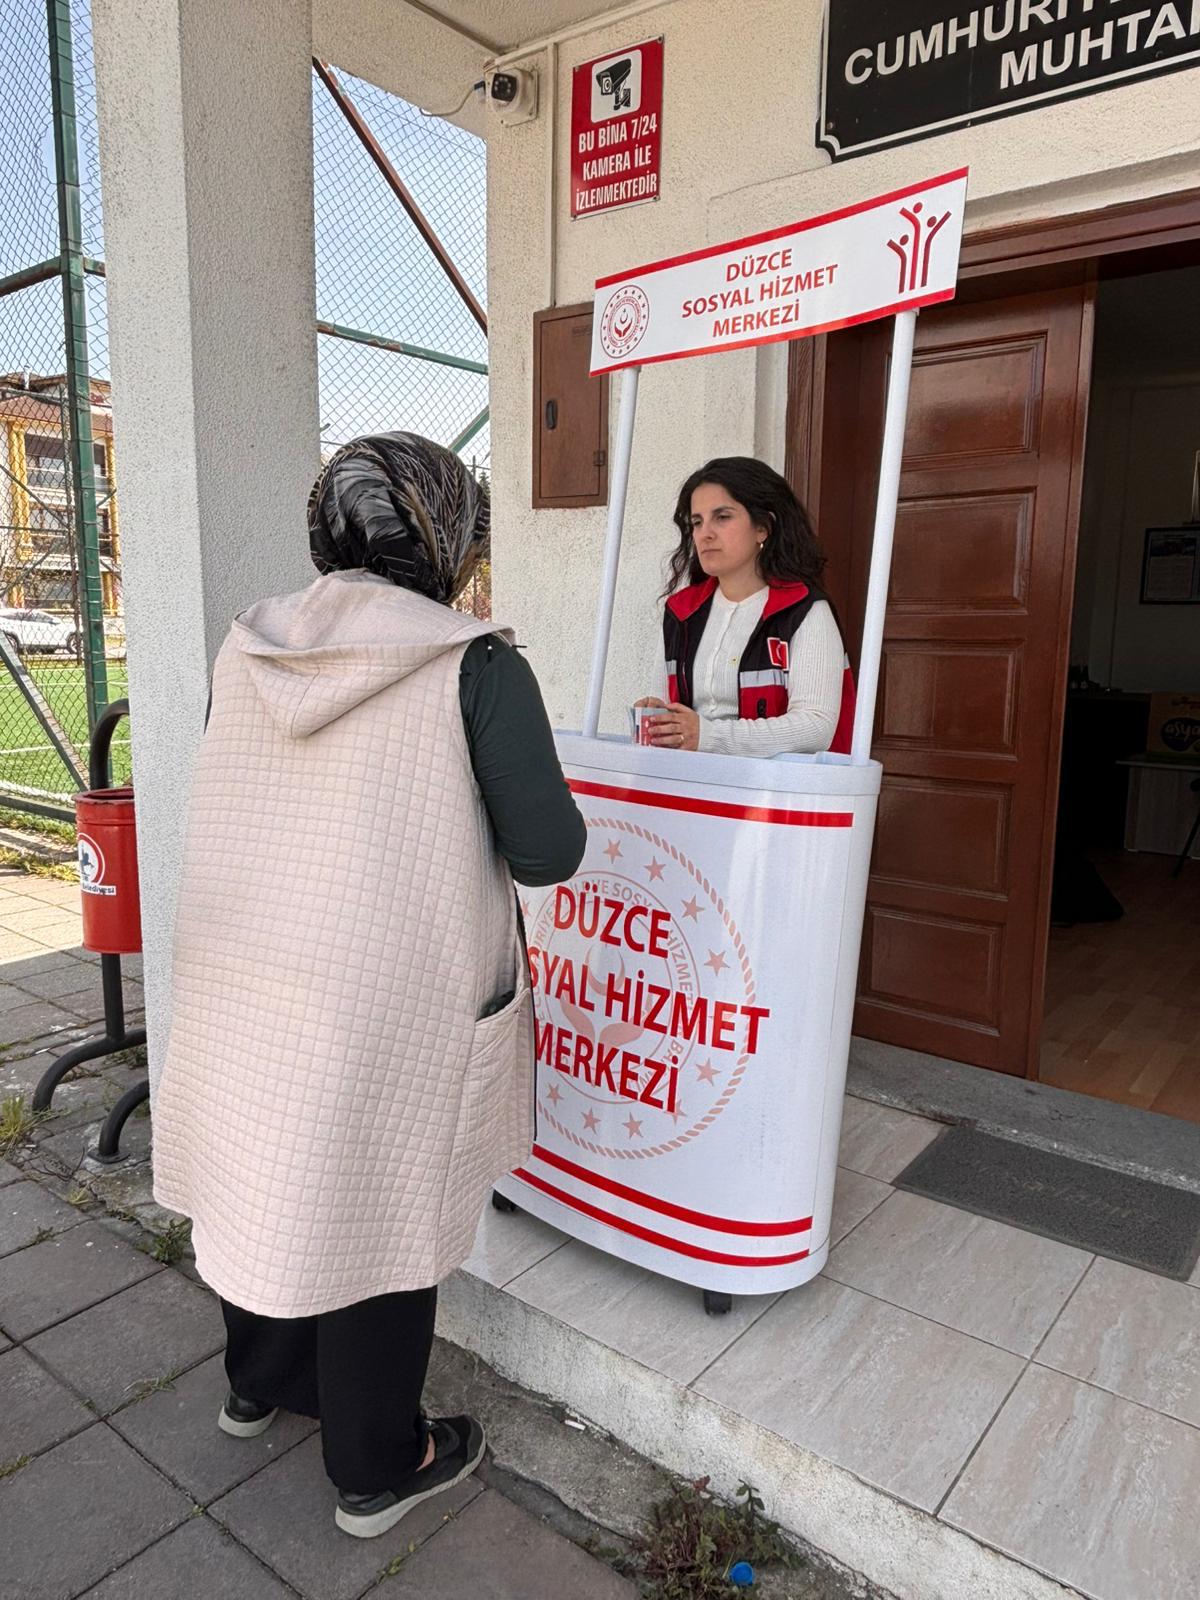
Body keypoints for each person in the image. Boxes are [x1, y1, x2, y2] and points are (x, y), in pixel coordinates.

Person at [151, 433, 585, 1540]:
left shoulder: (246, 650)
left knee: (267, 1169)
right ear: (449, 540)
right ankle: (380, 1462)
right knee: (380, 1205)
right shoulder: (477, 664)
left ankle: (259, 1386)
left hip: (250, 966)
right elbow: (546, 851)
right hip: (385, 985)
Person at [638, 456, 854, 756]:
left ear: (763, 527)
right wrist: (656, 717)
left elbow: (815, 727)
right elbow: (672, 711)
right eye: (697, 522)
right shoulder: (681, 612)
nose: (705, 533)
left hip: (773, 795)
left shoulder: (805, 610)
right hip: (691, 789)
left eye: (722, 517)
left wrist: (708, 735)